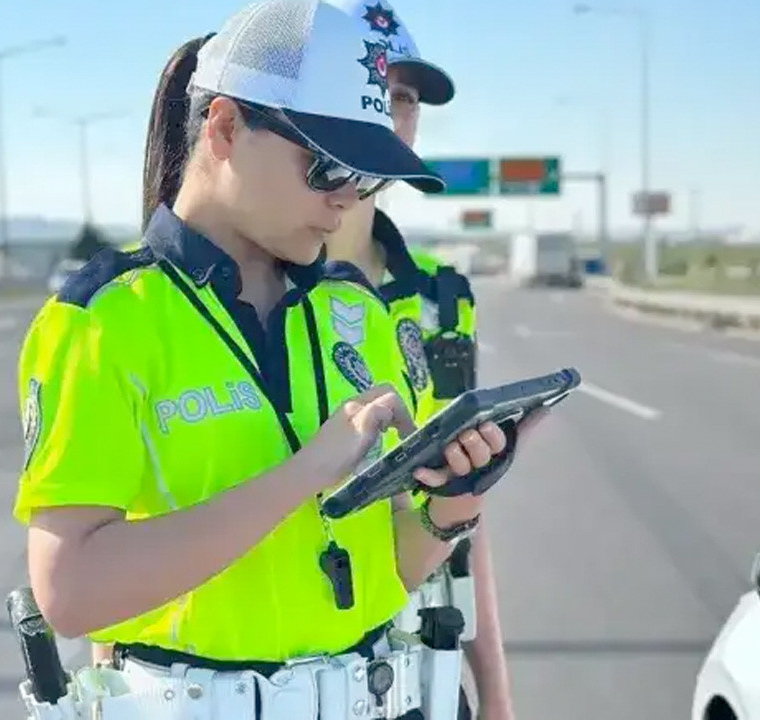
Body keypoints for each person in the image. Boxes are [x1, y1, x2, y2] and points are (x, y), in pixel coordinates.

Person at [14, 2, 538, 718]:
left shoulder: (357, 313)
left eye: (364, 175)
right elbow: (70, 594)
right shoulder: (103, 322)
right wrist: (307, 472)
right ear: (225, 128)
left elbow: (391, 570)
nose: (346, 199)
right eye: (326, 166)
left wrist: (456, 502)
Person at [318, 5, 510, 718]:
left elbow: (466, 510)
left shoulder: (440, 298)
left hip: (418, 672)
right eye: (372, 87)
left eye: (403, 97)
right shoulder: (248, 286)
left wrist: (497, 695)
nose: (389, 112)